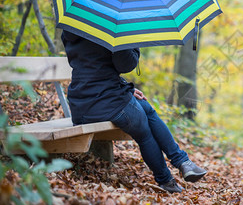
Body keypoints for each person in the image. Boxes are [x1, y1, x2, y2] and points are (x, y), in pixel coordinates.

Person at [61, 30, 207, 193]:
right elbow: (126, 64)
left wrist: (126, 88)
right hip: (107, 102)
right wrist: (133, 41)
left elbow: (92, 64)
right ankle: (166, 180)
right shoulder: (112, 28)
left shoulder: (72, 28)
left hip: (81, 103)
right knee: (143, 132)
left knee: (147, 108)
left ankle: (183, 161)